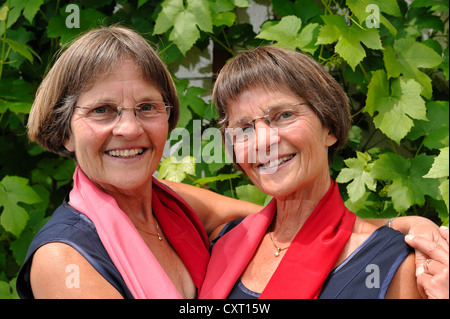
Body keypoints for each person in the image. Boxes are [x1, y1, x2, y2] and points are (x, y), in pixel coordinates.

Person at [16, 26, 446, 299]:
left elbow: (282, 220)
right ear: (64, 131)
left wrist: (398, 228)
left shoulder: (177, 208)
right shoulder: (64, 260)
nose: (129, 129)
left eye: (147, 107)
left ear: (330, 126)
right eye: (102, 111)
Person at [199, 46, 448, 299]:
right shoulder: (222, 242)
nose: (262, 141)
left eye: (283, 115)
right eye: (243, 127)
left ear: (329, 127)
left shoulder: (393, 262)